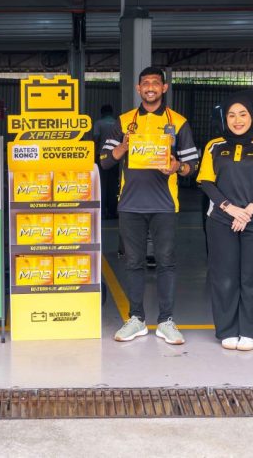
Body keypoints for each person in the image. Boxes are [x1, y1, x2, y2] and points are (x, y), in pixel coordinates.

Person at [100, 67, 199, 344]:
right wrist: (123, 147)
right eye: (146, 83)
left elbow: (193, 165)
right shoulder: (124, 122)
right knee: (133, 263)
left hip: (164, 205)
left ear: (164, 88)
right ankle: (136, 319)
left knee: (166, 262)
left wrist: (178, 167)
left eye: (156, 83)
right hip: (130, 204)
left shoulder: (178, 122)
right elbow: (105, 161)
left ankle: (166, 321)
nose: (151, 87)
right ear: (138, 88)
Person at [196, 100, 253, 351]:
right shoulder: (214, 146)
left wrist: (247, 211)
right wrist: (230, 208)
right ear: (226, 119)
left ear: (251, 117)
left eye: (243, 114)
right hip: (221, 219)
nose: (237, 120)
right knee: (224, 277)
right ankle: (226, 330)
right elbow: (206, 182)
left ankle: (249, 332)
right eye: (232, 115)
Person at [93, 104, 119, 219]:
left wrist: (94, 156)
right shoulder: (117, 123)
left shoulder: (99, 123)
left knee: (101, 184)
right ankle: (113, 211)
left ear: (102, 113)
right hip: (115, 156)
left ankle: (102, 212)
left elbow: (96, 139)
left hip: (102, 156)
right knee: (113, 184)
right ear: (112, 112)